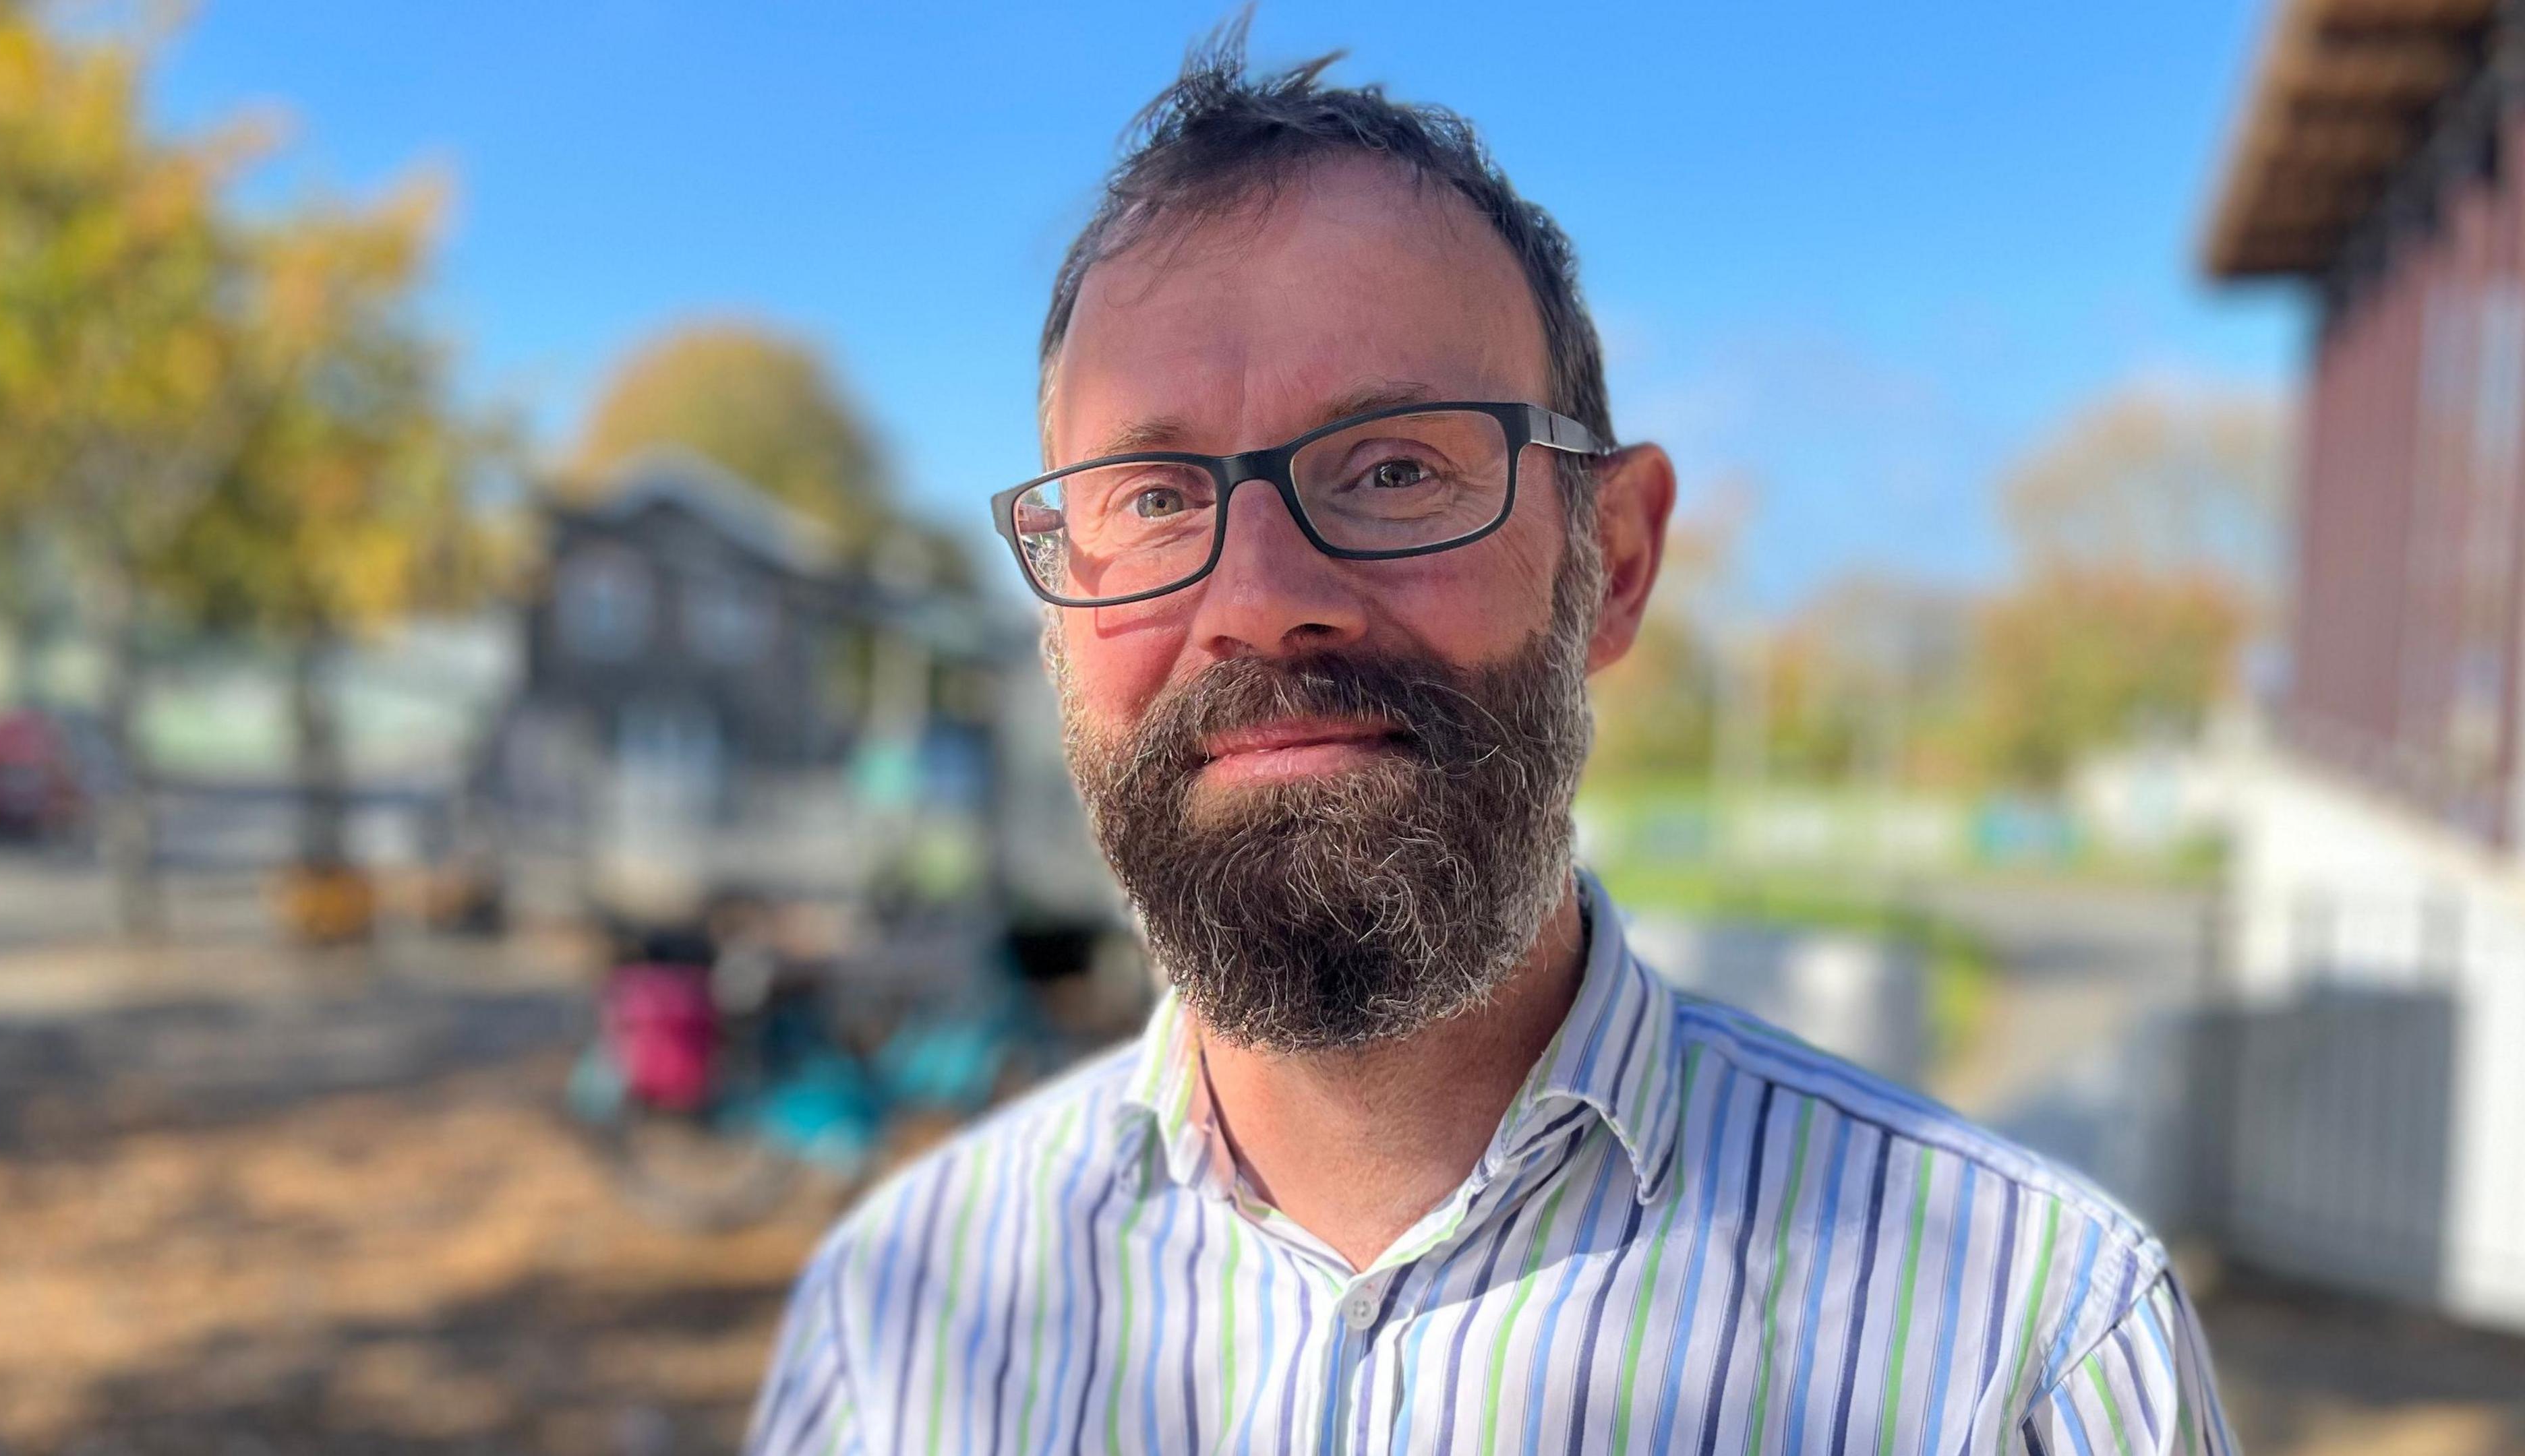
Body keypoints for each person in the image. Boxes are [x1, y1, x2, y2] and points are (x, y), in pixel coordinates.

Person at [748, 27, 2234, 1456]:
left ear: (1617, 563)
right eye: (1152, 497)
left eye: (1395, 468)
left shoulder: (2031, 1350)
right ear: (1061, 609)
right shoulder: (895, 1328)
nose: (1259, 604)